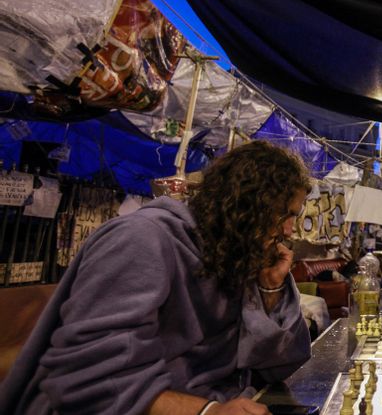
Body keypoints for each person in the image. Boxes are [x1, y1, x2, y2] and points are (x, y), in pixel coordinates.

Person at [0, 141, 314, 415]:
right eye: (284, 213)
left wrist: (270, 287)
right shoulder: (141, 240)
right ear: (246, 204)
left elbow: (282, 365)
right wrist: (208, 411)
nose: (287, 231)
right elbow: (88, 381)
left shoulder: (235, 252)